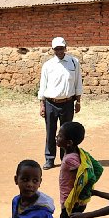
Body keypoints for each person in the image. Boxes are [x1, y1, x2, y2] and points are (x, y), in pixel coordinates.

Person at [38, 37, 83, 170]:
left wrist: (78, 101)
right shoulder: (48, 65)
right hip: (50, 103)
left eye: (61, 48)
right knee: (50, 132)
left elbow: (78, 83)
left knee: (67, 133)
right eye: (56, 49)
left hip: (68, 103)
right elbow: (43, 85)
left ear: (65, 48)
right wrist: (42, 105)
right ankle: (49, 159)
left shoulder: (74, 63)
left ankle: (66, 159)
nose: (59, 51)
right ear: (53, 50)